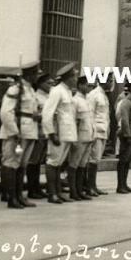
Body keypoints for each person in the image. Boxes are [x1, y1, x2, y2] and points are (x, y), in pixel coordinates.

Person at [0, 61, 41, 209]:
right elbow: (5, 112)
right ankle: (11, 198)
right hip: (17, 133)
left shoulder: (30, 90)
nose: (37, 76)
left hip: (29, 132)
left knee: (22, 165)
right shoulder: (16, 89)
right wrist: (13, 132)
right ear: (29, 74)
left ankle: (19, 196)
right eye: (35, 73)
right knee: (12, 164)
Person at [42, 63, 79, 204]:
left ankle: (58, 192)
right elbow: (47, 114)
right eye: (74, 76)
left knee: (58, 164)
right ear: (68, 78)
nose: (76, 79)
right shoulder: (57, 91)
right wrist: (51, 134)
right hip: (58, 134)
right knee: (52, 163)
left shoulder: (68, 92)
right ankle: (52, 194)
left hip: (68, 133)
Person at [26, 71, 53, 200]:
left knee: (39, 162)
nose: (50, 85)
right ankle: (32, 189)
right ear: (40, 84)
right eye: (48, 83)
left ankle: (37, 188)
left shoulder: (49, 96)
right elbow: (34, 115)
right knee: (33, 162)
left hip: (46, 133)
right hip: (37, 132)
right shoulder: (36, 97)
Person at [68, 75, 94, 201]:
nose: (88, 87)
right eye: (86, 85)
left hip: (88, 136)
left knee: (82, 165)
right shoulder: (75, 100)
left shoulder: (86, 100)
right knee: (74, 164)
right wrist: (73, 139)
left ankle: (79, 190)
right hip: (79, 137)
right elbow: (73, 121)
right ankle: (73, 191)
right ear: (79, 85)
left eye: (89, 85)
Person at [85, 77, 111, 196]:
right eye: (109, 81)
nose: (111, 83)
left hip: (103, 131)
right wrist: (91, 132)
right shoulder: (94, 94)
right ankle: (89, 187)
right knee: (92, 160)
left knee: (96, 160)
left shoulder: (104, 95)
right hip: (95, 131)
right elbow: (90, 114)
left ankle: (93, 186)